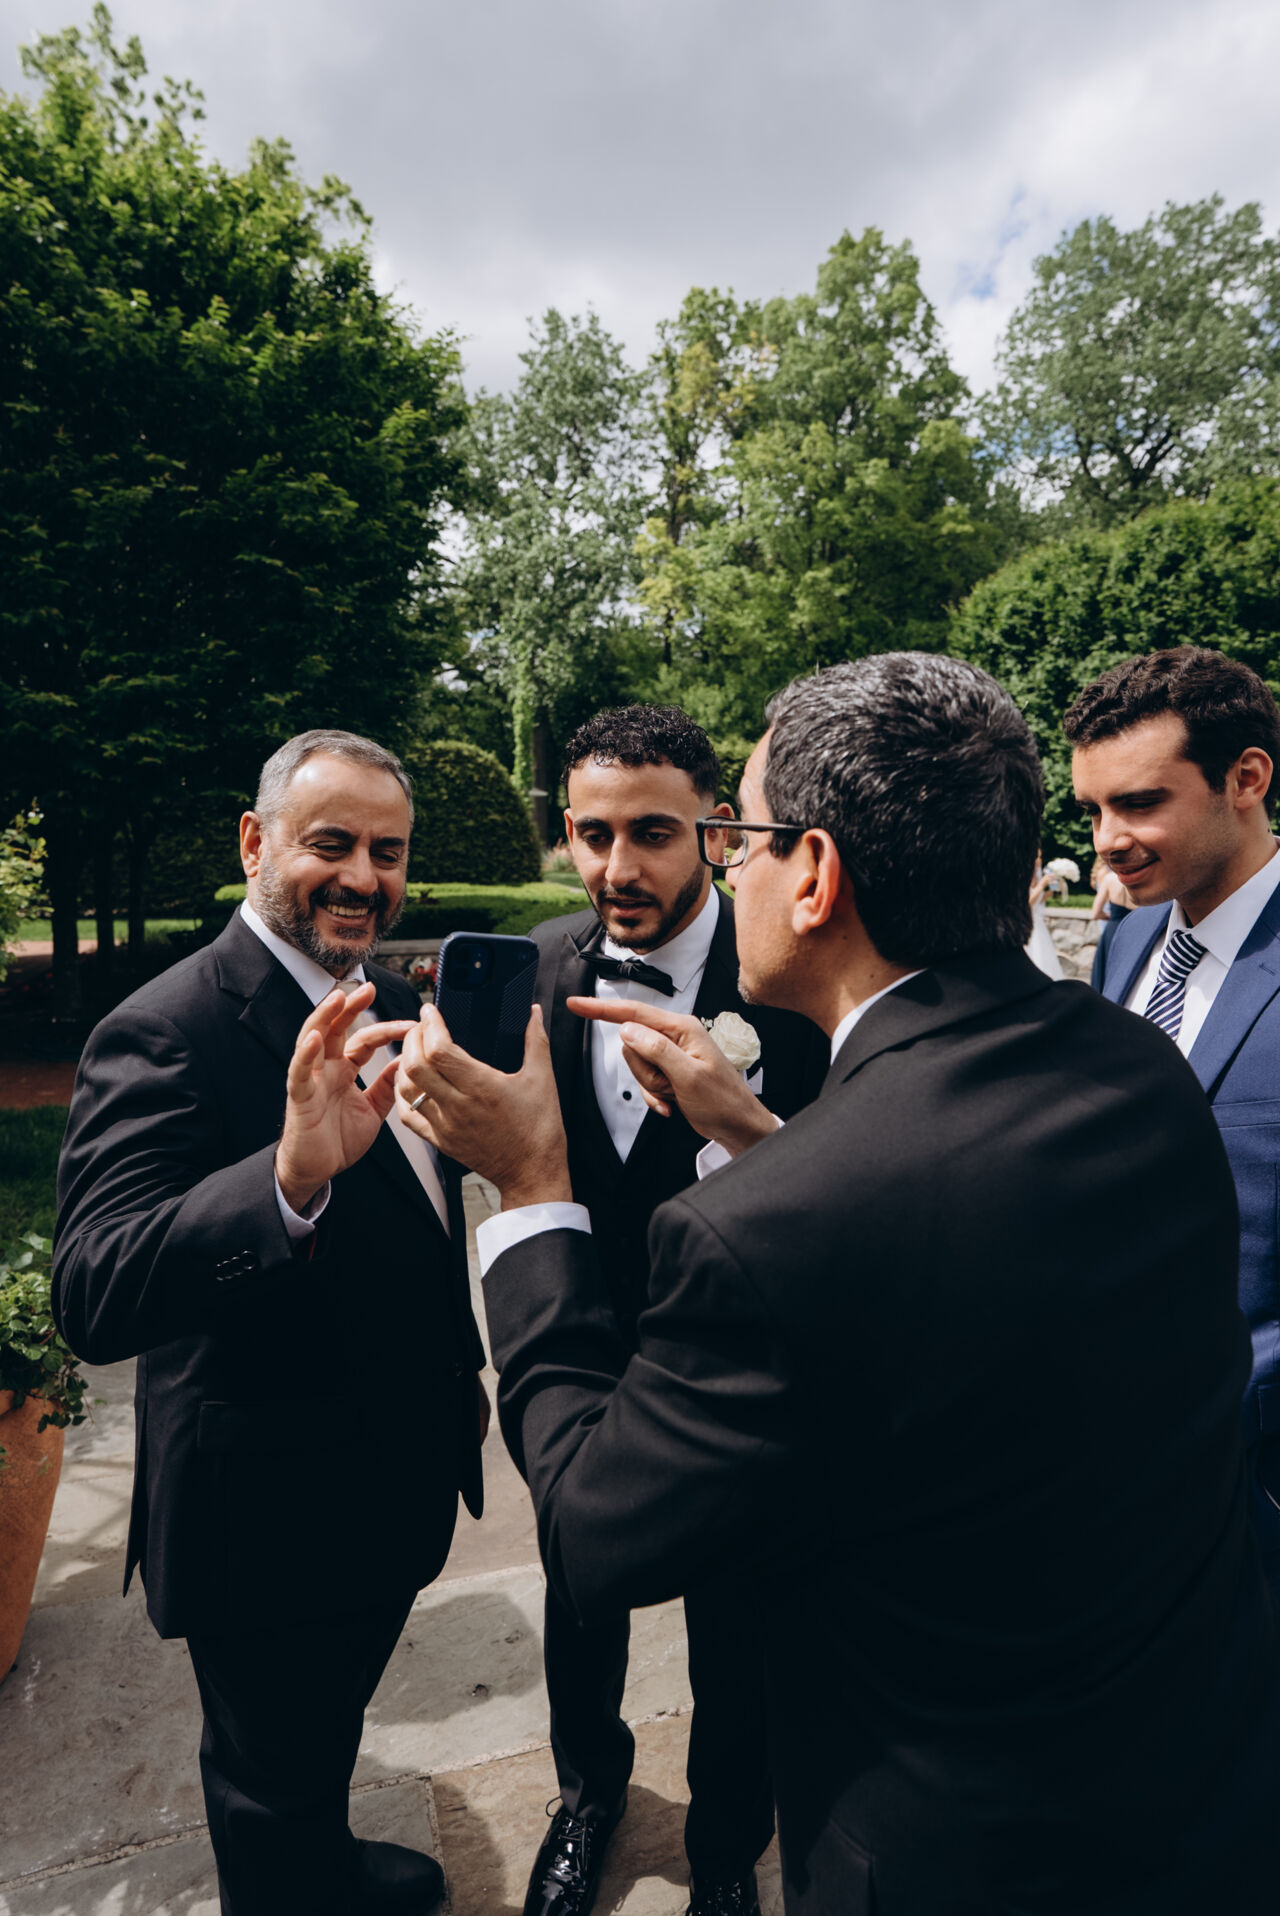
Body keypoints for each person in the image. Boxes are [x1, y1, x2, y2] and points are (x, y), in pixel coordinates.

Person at [395, 653, 1278, 1915]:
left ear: (811, 873)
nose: (728, 869)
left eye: (739, 839)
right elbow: (947, 1250)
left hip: (959, 1848)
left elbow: (592, 1529)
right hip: (1197, 1772)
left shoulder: (768, 1229)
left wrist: (530, 1190)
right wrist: (758, 1133)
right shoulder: (1138, 1065)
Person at [53, 731, 488, 1916]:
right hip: (268, 1514)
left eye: (387, 852)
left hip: (389, 1475)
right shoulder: (164, 1027)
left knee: (316, 1745)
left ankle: (324, 1861)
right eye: (330, 843)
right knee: (265, 1779)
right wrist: (286, 1178)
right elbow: (93, 1288)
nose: (363, 876)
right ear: (254, 842)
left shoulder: (399, 1002)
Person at [523, 705, 828, 1916]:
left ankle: (726, 1844)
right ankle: (585, 1792)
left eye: (650, 832)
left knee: (738, 1616)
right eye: (591, 833)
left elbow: (839, 1176)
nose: (616, 866)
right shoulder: (541, 964)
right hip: (585, 1352)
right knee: (577, 1590)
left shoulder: (787, 982)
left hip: (735, 1357)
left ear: (711, 830)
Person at [1068, 646, 1280, 1600]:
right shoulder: (1126, 944)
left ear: (1247, 778)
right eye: (1094, 811)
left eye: (1140, 803)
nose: (1109, 840)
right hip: (1114, 1486)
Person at [1088, 856, 1133, 989]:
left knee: (1105, 970)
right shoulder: (1140, 882)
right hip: (1133, 929)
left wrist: (1111, 917)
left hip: (1112, 928)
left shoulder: (1109, 879)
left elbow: (1096, 913)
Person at [1024, 850, 1065, 978]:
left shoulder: (1037, 876)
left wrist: (1053, 888)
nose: (1040, 860)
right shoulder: (1023, 876)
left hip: (1038, 922)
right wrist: (1041, 885)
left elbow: (1039, 900)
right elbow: (1027, 904)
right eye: (1038, 857)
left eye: (1040, 857)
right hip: (1028, 922)